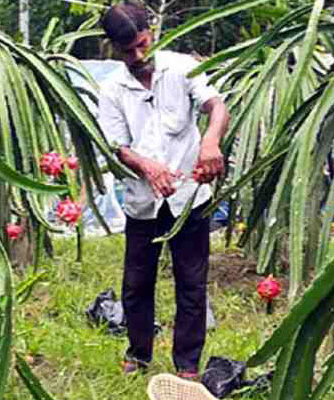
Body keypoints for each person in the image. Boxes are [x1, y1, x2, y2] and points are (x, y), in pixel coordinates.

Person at [97, 1, 230, 379]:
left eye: (143, 44)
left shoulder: (182, 67)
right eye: (128, 51)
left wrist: (210, 142)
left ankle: (187, 364)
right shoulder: (111, 90)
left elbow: (216, 105)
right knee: (137, 283)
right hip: (143, 202)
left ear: (151, 31)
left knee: (192, 281)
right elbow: (117, 146)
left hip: (190, 199)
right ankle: (139, 354)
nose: (139, 56)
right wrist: (146, 165)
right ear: (113, 49)